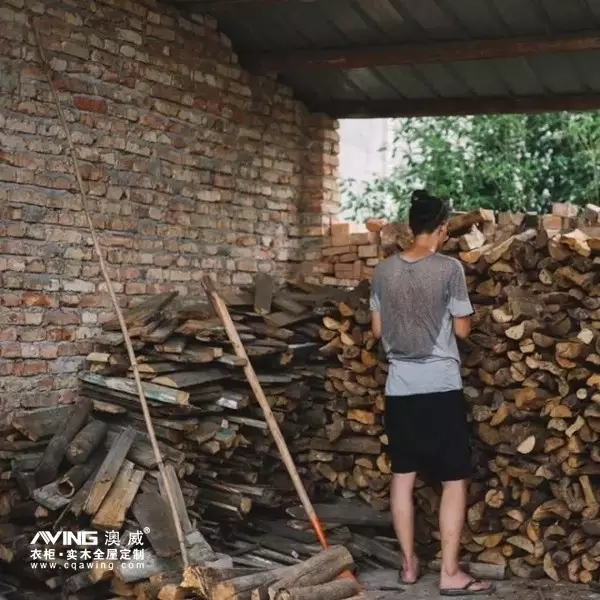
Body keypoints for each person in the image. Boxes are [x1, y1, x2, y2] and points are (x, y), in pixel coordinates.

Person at [369, 190, 494, 597]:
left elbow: (375, 330)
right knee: (454, 480)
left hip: (399, 388)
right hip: (439, 387)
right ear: (442, 227)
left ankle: (408, 567)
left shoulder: (383, 271)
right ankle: (450, 572)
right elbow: (461, 330)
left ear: (411, 226)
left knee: (402, 477)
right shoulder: (449, 268)